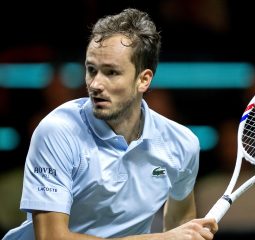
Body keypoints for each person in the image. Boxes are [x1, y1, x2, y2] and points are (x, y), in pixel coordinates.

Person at [2, 8, 217, 240]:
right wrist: (161, 239)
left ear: (143, 80)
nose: (95, 84)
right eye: (91, 70)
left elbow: (180, 223)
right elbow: (52, 237)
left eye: (111, 72)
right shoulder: (57, 131)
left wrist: (187, 234)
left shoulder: (181, 143)